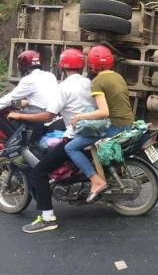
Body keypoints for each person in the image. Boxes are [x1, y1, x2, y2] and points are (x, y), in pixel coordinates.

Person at [8, 48, 95, 233]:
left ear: (62, 66)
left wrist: (20, 116)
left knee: (39, 172)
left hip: (76, 135)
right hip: (92, 132)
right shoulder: (88, 82)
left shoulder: (63, 87)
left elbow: (47, 116)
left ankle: (47, 218)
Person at [65, 45, 134, 203]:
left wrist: (80, 117)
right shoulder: (118, 76)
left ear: (91, 64)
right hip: (127, 124)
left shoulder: (98, 82)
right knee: (89, 143)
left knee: (71, 147)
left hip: (115, 127)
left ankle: (97, 181)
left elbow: (104, 112)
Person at [0, 50, 58, 138]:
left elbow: (9, 98)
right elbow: (35, 99)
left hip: (37, 116)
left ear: (22, 66)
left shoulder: (29, 80)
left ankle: (15, 143)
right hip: (51, 115)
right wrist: (19, 103)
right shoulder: (50, 76)